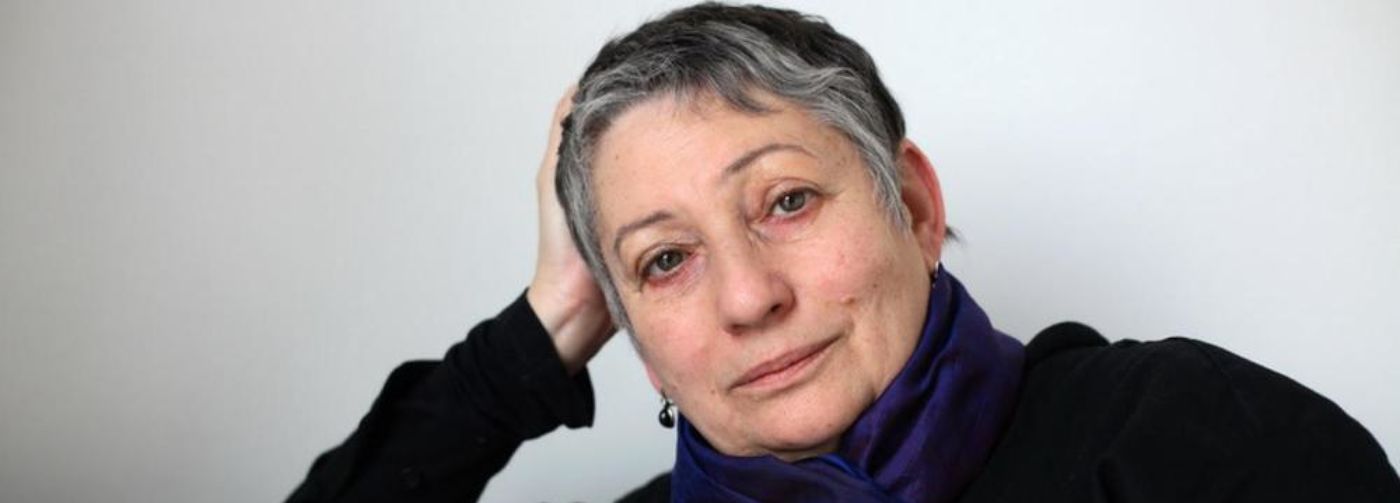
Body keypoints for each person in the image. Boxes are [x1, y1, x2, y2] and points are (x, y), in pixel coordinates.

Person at [287, 3, 1400, 502]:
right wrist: (545, 327)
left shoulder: (1183, 435)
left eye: (785, 200)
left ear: (912, 205)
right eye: (664, 261)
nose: (748, 297)